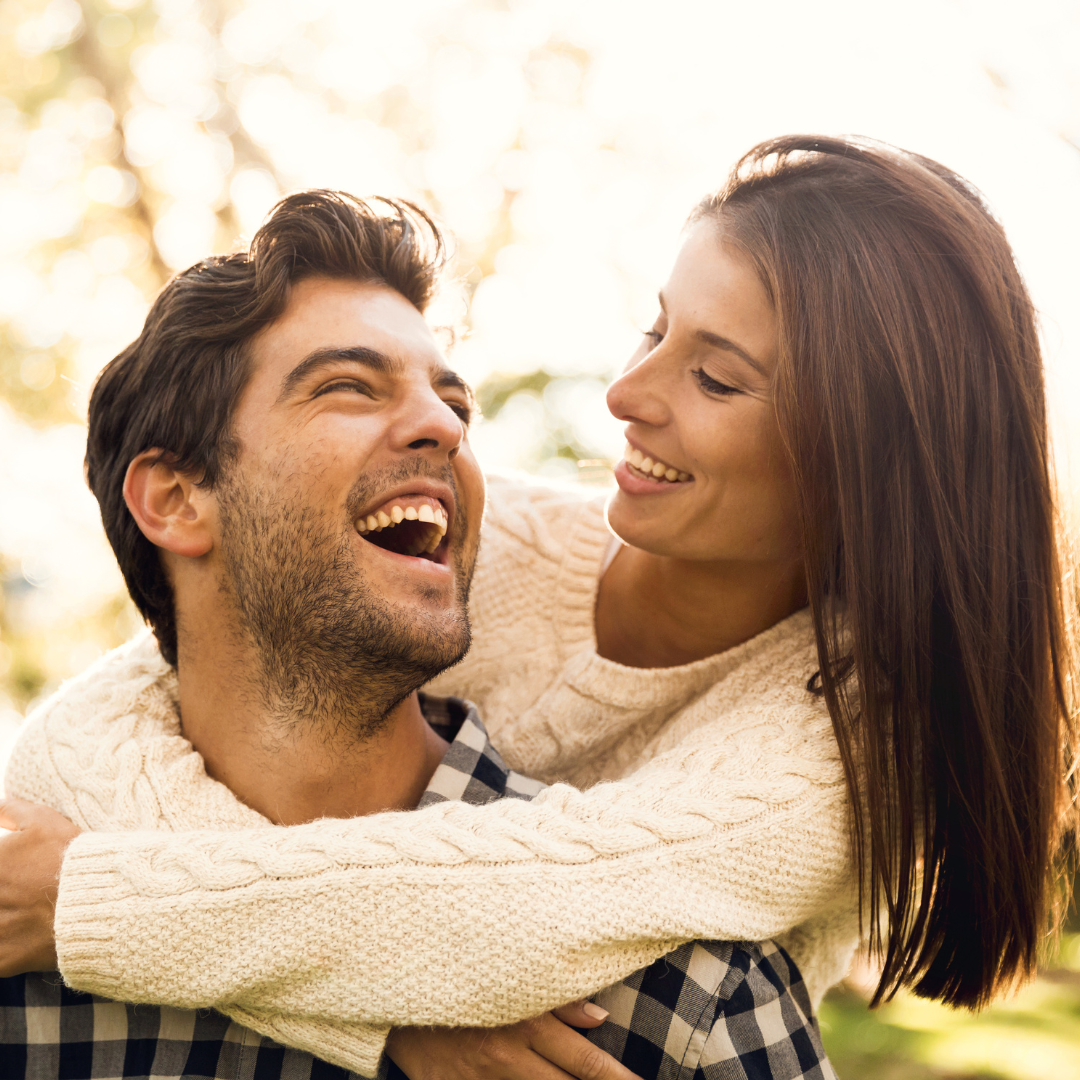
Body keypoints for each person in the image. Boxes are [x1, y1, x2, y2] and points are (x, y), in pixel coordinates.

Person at [0, 133, 1074, 1075]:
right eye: (656, 332)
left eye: (718, 378)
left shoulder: (831, 749)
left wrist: (89, 906)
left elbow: (521, 917)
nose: (624, 395)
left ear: (856, 469)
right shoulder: (470, 536)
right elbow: (113, 715)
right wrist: (376, 1014)